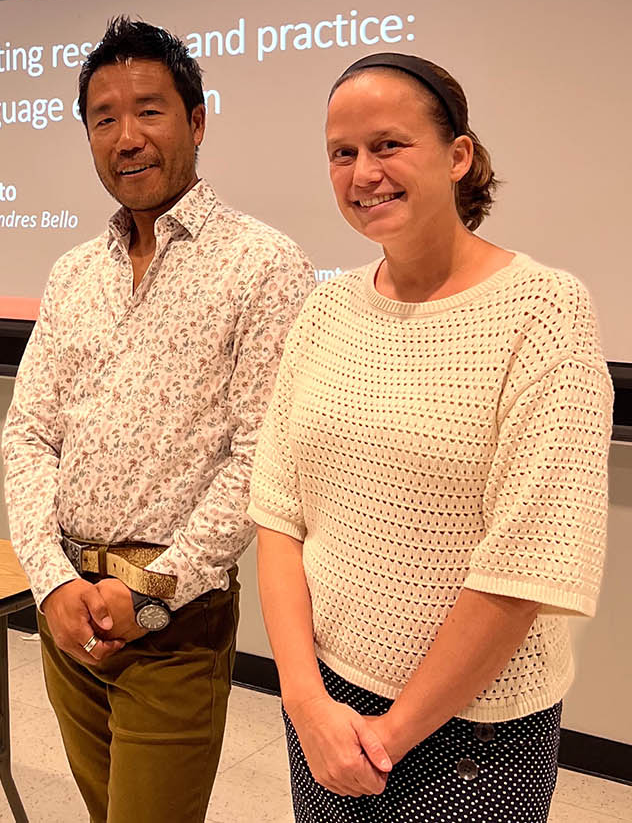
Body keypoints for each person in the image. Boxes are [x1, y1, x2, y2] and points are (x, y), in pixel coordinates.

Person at [248, 52, 612, 822]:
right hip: (325, 708)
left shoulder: (544, 311)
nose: (363, 172)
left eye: (388, 144)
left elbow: (525, 565)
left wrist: (389, 735)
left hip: (475, 736)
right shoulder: (324, 311)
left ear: (458, 156)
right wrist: (305, 701)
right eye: (342, 153)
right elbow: (278, 512)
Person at [2, 15, 314, 823]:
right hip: (70, 612)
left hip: (174, 623)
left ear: (197, 120)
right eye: (103, 118)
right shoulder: (73, 272)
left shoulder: (263, 264)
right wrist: (52, 582)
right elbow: (29, 433)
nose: (126, 137)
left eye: (149, 110)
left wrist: (144, 595)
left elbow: (260, 457)